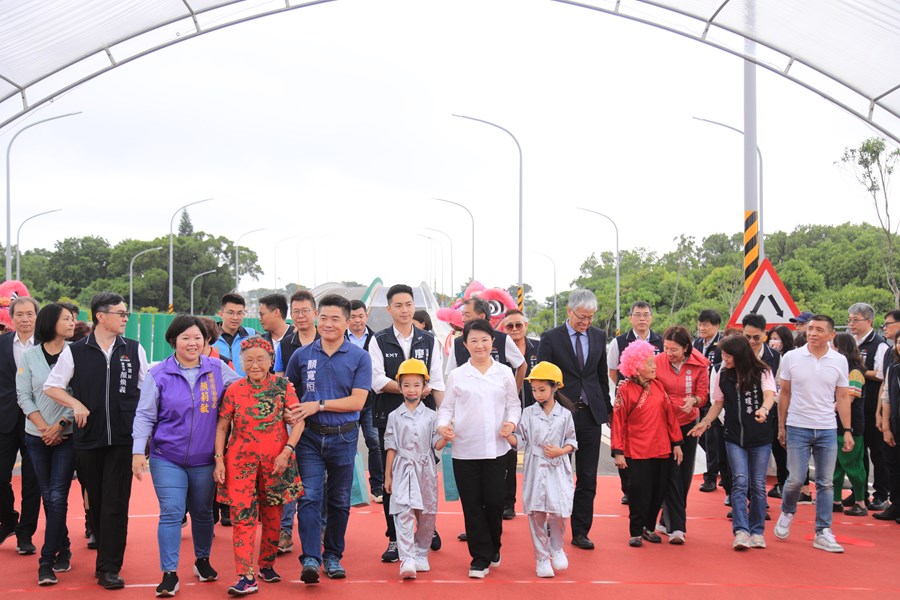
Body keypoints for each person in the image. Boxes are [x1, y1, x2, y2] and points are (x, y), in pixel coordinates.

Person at [131, 315, 243, 596]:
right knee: (171, 512)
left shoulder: (218, 369)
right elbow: (144, 415)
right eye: (185, 338)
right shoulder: (158, 374)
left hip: (206, 460)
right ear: (173, 342)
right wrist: (137, 452)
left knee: (203, 513)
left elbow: (245, 393)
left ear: (205, 342)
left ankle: (202, 560)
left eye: (197, 338)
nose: (192, 344)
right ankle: (169, 573)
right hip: (166, 457)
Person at [44, 292, 149, 589]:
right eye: (121, 313)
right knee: (98, 503)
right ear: (100, 316)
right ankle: (104, 554)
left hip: (122, 439)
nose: (125, 318)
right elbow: (52, 386)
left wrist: (143, 438)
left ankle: (108, 567)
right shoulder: (75, 351)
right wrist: (75, 403)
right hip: (88, 438)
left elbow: (148, 392)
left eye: (126, 313)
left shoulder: (134, 349)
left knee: (116, 503)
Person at [285, 294, 371, 584]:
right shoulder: (301, 355)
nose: (328, 323)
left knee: (338, 501)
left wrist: (318, 404)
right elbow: (289, 393)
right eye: (324, 317)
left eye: (336, 318)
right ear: (316, 318)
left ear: (347, 322)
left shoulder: (360, 357)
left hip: (344, 438)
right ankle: (310, 558)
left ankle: (333, 555)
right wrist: (290, 412)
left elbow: (358, 401)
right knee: (308, 497)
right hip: (309, 437)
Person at [214, 337, 304, 595]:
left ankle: (266, 564)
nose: (254, 365)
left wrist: (288, 451)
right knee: (243, 518)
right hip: (240, 463)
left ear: (270, 361)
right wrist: (219, 459)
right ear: (241, 362)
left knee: (273, 516)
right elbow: (222, 426)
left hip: (276, 461)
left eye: (260, 359)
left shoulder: (283, 386)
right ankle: (245, 575)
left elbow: (298, 421)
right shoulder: (234, 390)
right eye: (249, 360)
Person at [437, 319, 521, 579]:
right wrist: (443, 426)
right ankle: (479, 557)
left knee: (494, 503)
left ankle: (494, 547)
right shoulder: (458, 375)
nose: (479, 345)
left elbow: (514, 406)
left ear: (492, 343)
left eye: (484, 340)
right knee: (472, 505)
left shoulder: (504, 373)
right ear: (466, 345)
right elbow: (447, 408)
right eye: (473, 340)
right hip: (465, 451)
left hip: (497, 450)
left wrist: (511, 423)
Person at [369, 284, 445, 562]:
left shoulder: (429, 340)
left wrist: (445, 415)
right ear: (389, 309)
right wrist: (409, 389)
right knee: (393, 481)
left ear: (414, 306)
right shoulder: (379, 340)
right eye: (398, 305)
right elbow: (376, 380)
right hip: (391, 418)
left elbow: (436, 380)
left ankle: (426, 529)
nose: (404, 310)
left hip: (425, 420)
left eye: (408, 304)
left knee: (425, 477)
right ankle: (394, 538)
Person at [537, 289, 610, 551]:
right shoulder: (551, 338)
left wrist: (608, 411)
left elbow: (601, 377)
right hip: (561, 415)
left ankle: (581, 530)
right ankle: (553, 522)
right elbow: (542, 378)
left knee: (588, 476)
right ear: (570, 311)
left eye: (590, 317)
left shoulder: (599, 336)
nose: (586, 322)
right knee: (558, 473)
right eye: (582, 317)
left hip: (590, 415)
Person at [774, 315, 854, 553]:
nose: (813, 333)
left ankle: (823, 531)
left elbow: (842, 397)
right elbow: (784, 393)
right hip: (798, 425)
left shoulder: (839, 361)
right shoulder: (791, 357)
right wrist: (781, 426)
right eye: (810, 329)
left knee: (825, 483)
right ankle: (788, 511)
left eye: (819, 330)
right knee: (796, 479)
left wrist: (847, 430)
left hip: (828, 427)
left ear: (831, 335)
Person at [689, 335, 776, 550]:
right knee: (739, 482)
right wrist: (706, 422)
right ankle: (740, 531)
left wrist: (764, 410)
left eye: (728, 355)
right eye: (723, 354)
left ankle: (757, 532)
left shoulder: (762, 371)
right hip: (734, 437)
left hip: (760, 438)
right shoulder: (723, 374)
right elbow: (718, 403)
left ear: (740, 354)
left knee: (757, 485)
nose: (724, 358)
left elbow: (769, 395)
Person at [15, 303, 76, 584]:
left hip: (66, 436)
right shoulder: (29, 357)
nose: (72, 322)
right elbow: (24, 396)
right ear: (52, 323)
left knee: (56, 496)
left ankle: (46, 561)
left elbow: (78, 396)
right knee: (48, 495)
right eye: (67, 318)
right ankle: (63, 546)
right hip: (35, 436)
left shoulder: (76, 354)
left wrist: (60, 427)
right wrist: (43, 427)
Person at [506, 361, 576, 577]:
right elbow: (521, 440)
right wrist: (508, 435)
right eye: (534, 389)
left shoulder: (565, 414)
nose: (537, 394)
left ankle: (556, 547)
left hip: (558, 466)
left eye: (542, 389)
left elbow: (572, 440)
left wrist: (561, 450)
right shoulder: (527, 413)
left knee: (558, 512)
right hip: (535, 467)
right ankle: (542, 558)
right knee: (536, 513)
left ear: (555, 387)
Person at [612, 341, 684, 548]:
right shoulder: (624, 390)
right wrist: (619, 451)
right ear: (635, 366)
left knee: (658, 491)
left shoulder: (659, 386)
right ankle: (635, 531)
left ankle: (649, 528)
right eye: (649, 362)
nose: (654, 366)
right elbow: (618, 422)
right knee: (638, 492)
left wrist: (677, 443)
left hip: (661, 448)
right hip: (637, 450)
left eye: (654, 362)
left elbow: (670, 417)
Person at [383, 359, 447, 579]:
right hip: (402, 467)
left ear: (424, 387)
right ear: (400, 387)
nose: (412, 389)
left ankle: (421, 553)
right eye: (407, 385)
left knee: (426, 513)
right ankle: (407, 558)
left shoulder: (432, 416)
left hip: (425, 467)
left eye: (416, 385)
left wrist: (445, 438)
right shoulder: (393, 416)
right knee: (403, 512)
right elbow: (390, 446)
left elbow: (436, 444)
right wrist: (387, 475)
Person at [653, 325, 709, 544]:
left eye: (674, 349)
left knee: (684, 475)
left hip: (687, 423)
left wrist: (694, 401)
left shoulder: (700, 363)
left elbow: (703, 395)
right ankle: (677, 527)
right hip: (663, 423)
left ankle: (666, 521)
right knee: (670, 473)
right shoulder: (657, 362)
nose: (669, 353)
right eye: (666, 348)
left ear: (686, 348)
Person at [607, 302, 664, 505]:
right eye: (637, 315)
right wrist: (627, 386)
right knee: (625, 440)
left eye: (646, 315)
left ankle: (646, 487)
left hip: (653, 401)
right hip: (627, 400)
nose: (642, 319)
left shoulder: (661, 342)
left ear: (651, 317)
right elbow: (613, 370)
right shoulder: (619, 341)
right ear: (630, 317)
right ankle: (628, 488)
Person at [0, 296, 40, 556]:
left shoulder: (47, 345)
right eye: (20, 315)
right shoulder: (2, 343)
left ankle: (25, 534)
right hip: (5, 420)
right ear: (11, 318)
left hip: (37, 421)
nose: (25, 319)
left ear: (37, 316)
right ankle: (9, 519)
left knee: (32, 481)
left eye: (29, 314)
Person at [846, 302, 890, 511]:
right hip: (855, 408)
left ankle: (881, 494)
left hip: (873, 406)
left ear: (869, 321)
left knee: (878, 452)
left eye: (856, 320)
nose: (851, 324)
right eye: (850, 320)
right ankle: (859, 493)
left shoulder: (879, 345)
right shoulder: (852, 343)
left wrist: (859, 370)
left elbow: (882, 375)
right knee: (858, 452)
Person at [346, 299, 383, 509]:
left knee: (374, 442)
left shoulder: (377, 339)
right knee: (348, 443)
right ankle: (351, 489)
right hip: (348, 400)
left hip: (371, 400)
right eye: (352, 317)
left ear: (366, 316)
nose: (357, 320)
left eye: (360, 316)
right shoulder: (340, 339)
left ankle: (376, 487)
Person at [830, 332, 869, 516]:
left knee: (853, 465)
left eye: (834, 346)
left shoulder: (854, 371)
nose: (831, 349)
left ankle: (860, 502)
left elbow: (848, 400)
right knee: (835, 466)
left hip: (850, 426)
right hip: (835, 424)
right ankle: (836, 500)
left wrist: (824, 408)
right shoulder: (841, 369)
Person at [694, 309, 724, 494]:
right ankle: (712, 468)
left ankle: (711, 477)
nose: (702, 328)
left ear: (716, 326)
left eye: (706, 324)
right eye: (700, 324)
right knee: (701, 437)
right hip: (698, 396)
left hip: (714, 398)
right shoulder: (697, 343)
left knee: (713, 439)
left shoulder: (721, 345)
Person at [766, 324, 795, 500]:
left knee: (785, 447)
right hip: (772, 407)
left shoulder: (790, 357)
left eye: (777, 338)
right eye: (771, 338)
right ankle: (782, 481)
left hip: (787, 408)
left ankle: (788, 483)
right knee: (776, 446)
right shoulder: (770, 358)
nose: (774, 342)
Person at [274, 290, 318, 377]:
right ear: (291, 315)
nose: (300, 316)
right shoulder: (284, 345)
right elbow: (278, 378)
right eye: (296, 311)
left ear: (315, 313)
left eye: (305, 310)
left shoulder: (327, 341)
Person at [881, 334, 900, 522]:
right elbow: (886, 397)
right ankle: (895, 505)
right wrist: (886, 426)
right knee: (893, 465)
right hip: (895, 424)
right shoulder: (893, 369)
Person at [214, 293, 257, 376]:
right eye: (230, 313)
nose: (235, 318)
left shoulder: (252, 335)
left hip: (245, 387)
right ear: (221, 314)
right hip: (217, 387)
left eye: (239, 313)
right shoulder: (209, 337)